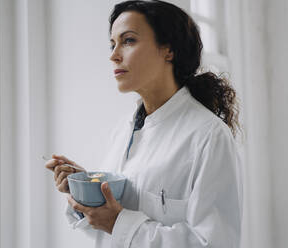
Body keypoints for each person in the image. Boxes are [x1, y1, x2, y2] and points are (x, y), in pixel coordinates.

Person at [45, 0, 243, 247]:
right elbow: (110, 229)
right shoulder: (123, 131)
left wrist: (120, 223)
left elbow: (214, 243)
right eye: (112, 43)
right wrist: (87, 189)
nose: (114, 55)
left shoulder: (209, 136)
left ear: (168, 50)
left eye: (128, 40)